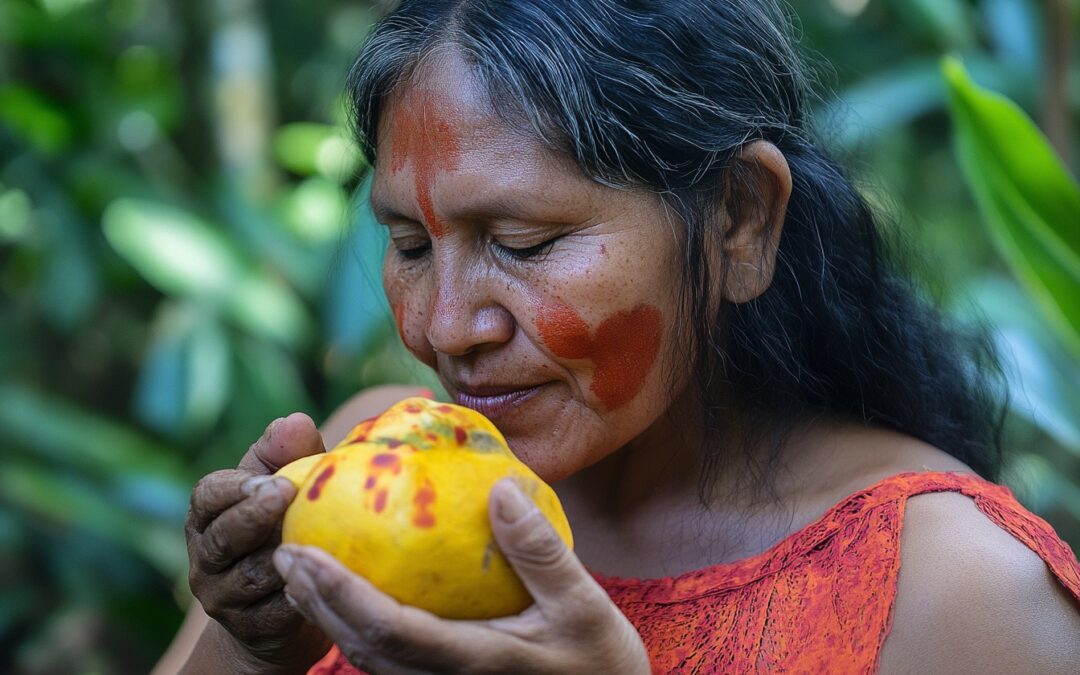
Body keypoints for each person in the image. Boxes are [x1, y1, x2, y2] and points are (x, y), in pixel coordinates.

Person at [157, 1, 1080, 673]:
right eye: (407, 245)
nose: (443, 326)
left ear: (739, 220)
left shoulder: (956, 590)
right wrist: (249, 650)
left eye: (524, 243)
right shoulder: (368, 449)